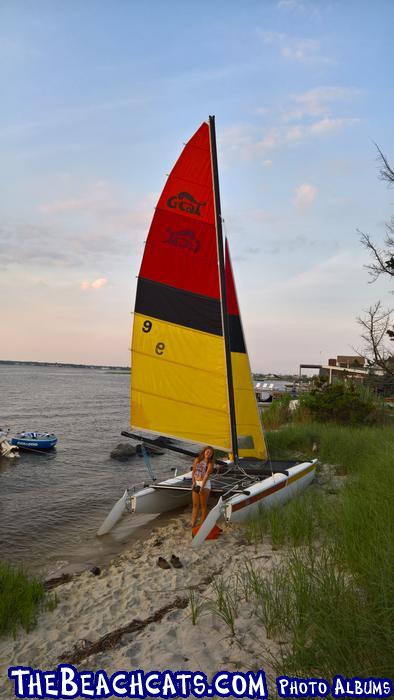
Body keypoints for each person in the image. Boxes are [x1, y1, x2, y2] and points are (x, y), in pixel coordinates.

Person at [191, 446, 215, 529]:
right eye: (207, 452)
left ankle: (202, 526)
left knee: (203, 506)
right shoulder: (197, 459)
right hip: (196, 483)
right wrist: (193, 482)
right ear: (204, 451)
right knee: (195, 505)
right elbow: (193, 471)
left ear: (212, 455)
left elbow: (206, 476)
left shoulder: (210, 464)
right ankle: (192, 524)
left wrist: (202, 486)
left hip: (205, 484)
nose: (208, 454)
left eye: (210, 453)